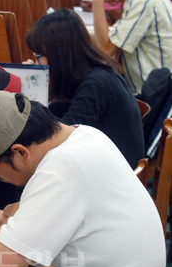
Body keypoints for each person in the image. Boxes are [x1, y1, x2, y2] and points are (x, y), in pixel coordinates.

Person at [0, 90, 165, 267]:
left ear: (20, 152)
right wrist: (14, 216)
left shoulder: (62, 170)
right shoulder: (85, 136)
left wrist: (13, 218)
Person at [24, 9, 145, 168]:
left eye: (38, 56)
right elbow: (56, 114)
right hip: (108, 168)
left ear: (57, 56)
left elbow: (57, 141)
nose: (36, 62)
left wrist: (32, 87)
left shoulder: (96, 84)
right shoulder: (93, 76)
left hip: (112, 178)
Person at [81, 0, 172, 95]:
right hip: (155, 91)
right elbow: (111, 40)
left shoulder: (143, 0)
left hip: (155, 98)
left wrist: (98, 0)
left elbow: (106, 50)